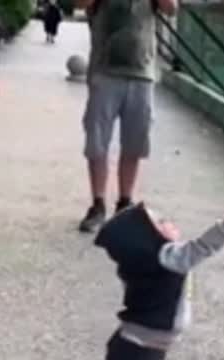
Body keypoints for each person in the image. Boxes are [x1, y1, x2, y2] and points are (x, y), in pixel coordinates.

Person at [94, 203, 224, 360]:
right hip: (141, 348)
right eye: (160, 222)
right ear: (145, 241)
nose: (168, 221)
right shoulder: (165, 257)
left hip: (137, 343)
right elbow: (202, 247)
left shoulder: (139, 263)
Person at [75, 0, 178, 233]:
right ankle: (98, 204)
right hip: (105, 71)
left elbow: (171, 8)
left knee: (134, 142)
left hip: (142, 72)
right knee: (97, 141)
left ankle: (125, 202)